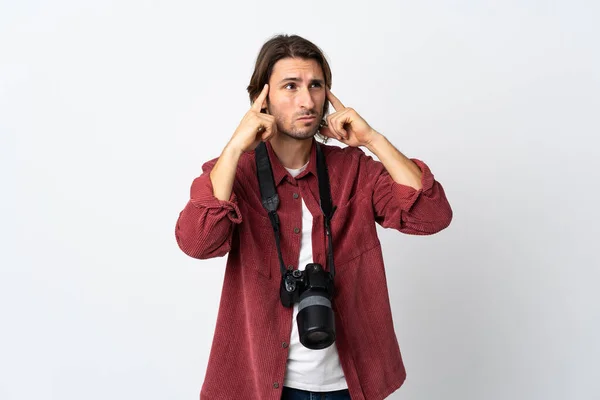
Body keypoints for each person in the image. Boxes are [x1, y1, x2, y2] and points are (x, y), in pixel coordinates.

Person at [175, 34, 453, 400]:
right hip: (260, 385)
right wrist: (236, 146)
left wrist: (372, 139)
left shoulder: (353, 171)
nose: (307, 101)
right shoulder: (234, 174)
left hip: (350, 384)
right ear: (263, 97)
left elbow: (432, 215)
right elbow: (197, 242)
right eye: (290, 86)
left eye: (315, 86)